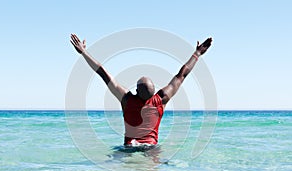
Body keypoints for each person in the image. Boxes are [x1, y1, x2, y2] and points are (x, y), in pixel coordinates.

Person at [70, 34, 212, 147]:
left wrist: (83, 52)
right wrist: (197, 53)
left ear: (137, 91)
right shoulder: (161, 100)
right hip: (151, 148)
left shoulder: (127, 99)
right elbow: (182, 75)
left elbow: (102, 72)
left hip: (129, 147)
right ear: (155, 90)